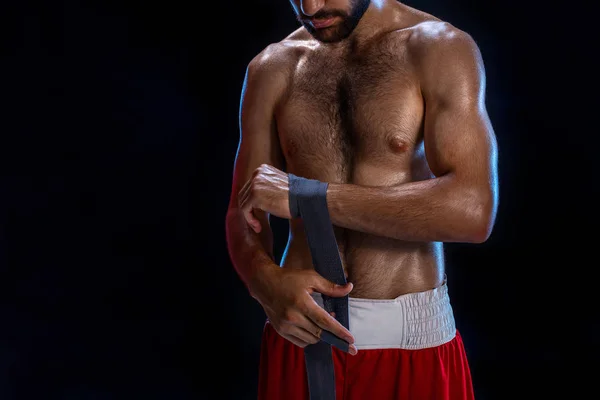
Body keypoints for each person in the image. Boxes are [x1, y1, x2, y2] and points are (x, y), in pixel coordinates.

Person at [225, 0, 498, 398]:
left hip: (409, 349)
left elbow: (473, 210)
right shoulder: (272, 67)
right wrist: (262, 278)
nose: (310, 6)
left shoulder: (438, 48)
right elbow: (241, 209)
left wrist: (310, 197)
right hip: (301, 344)